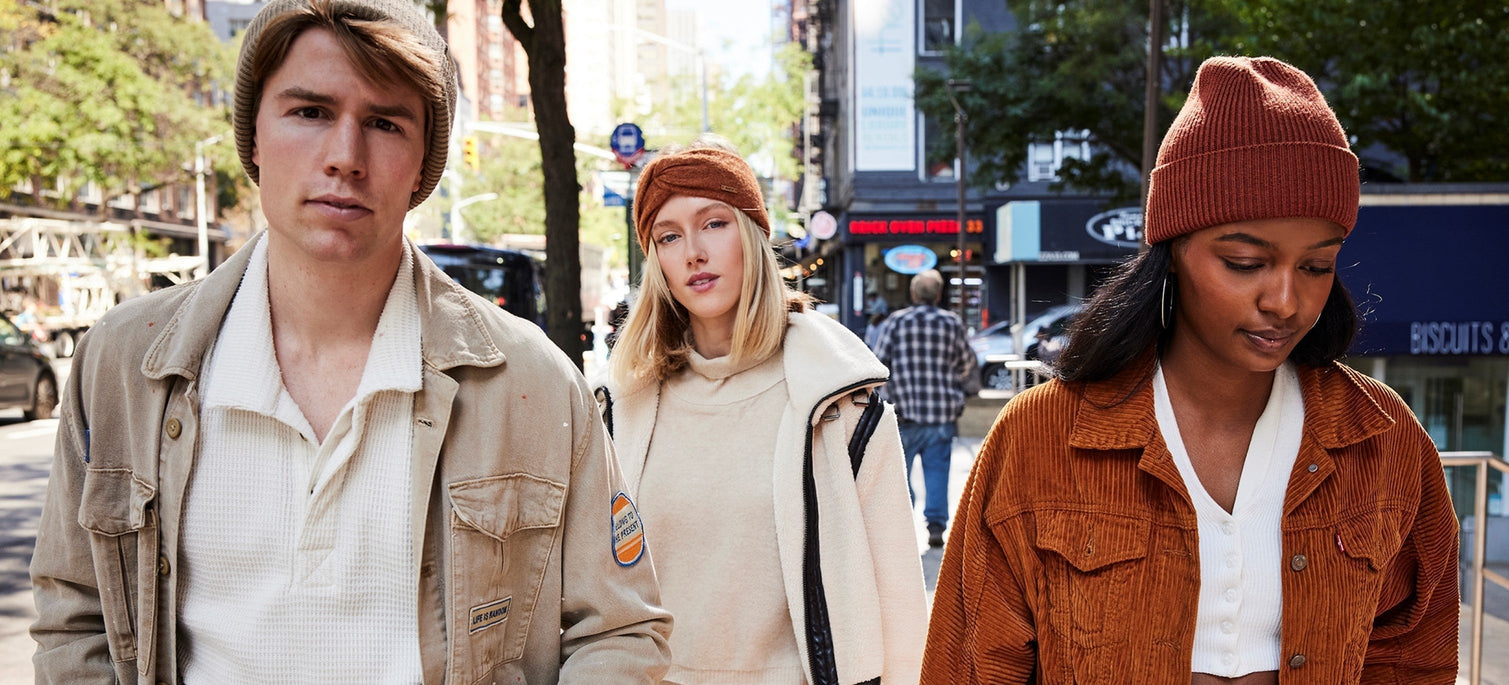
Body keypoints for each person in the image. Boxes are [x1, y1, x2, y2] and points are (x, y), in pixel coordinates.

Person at [30, 1, 671, 682]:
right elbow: (76, 616)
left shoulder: (531, 380)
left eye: (384, 123)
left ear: (423, 162)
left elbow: (622, 630)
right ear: (253, 137)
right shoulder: (125, 363)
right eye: (309, 112)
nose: (345, 156)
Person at [923, 56, 1458, 683]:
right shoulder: (1040, 438)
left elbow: (1415, 660)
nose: (1285, 301)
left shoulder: (1384, 440)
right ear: (1173, 251)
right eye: (1243, 261)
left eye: (1316, 267)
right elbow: (969, 665)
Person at [607, 139, 928, 684]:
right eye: (668, 235)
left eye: (714, 224)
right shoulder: (622, 405)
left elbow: (899, 602)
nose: (693, 252)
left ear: (753, 235)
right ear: (655, 259)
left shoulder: (838, 397)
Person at [873, 269, 978, 548]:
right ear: (940, 294)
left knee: (899, 471)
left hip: (903, 413)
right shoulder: (951, 323)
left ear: (913, 293)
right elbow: (967, 363)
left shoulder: (896, 322)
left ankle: (903, 523)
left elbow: (878, 365)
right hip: (941, 413)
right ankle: (935, 525)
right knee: (937, 470)